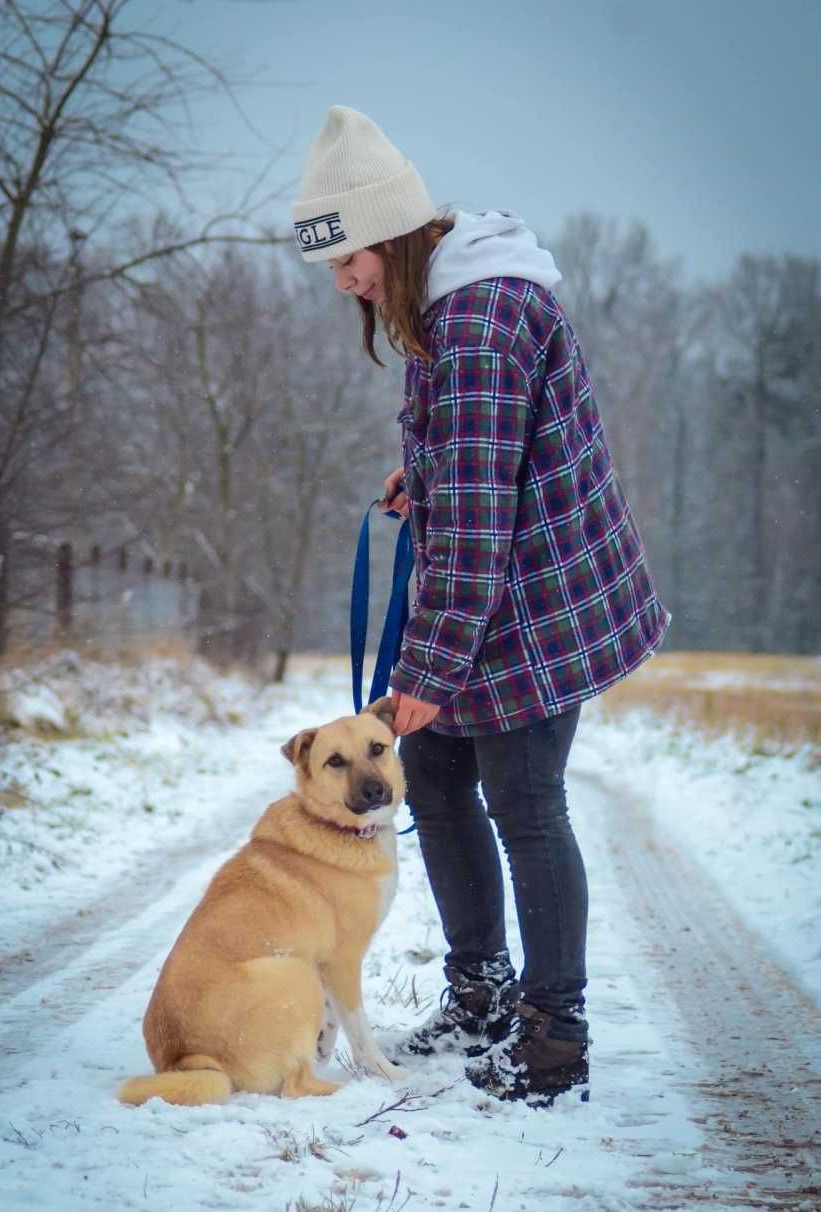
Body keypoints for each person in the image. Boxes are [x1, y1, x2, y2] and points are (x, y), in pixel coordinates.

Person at [292, 106, 670, 1107]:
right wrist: (425, 469)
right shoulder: (454, 301)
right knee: (438, 777)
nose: (344, 285)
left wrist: (420, 675)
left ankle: (552, 1038)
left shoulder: (474, 323)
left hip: (537, 606)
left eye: (348, 261)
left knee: (525, 804)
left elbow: (470, 537)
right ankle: (480, 991)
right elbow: (479, 469)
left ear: (387, 231)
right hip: (502, 590)